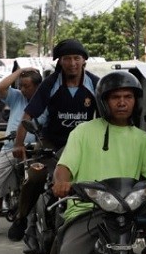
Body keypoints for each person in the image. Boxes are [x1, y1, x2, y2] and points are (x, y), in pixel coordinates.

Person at [44, 70, 146, 254]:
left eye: (127, 97)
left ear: (135, 101)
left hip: (128, 217)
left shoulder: (143, 140)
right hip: (86, 213)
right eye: (115, 97)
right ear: (103, 101)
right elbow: (63, 169)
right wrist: (61, 182)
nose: (122, 103)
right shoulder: (83, 132)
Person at [8, 39, 100, 242]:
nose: (73, 63)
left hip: (84, 147)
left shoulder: (95, 83)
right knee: (35, 177)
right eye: (67, 59)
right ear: (60, 62)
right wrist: (18, 143)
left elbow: (107, 118)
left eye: (77, 58)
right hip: (51, 145)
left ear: (84, 60)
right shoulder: (51, 84)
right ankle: (21, 217)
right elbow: (28, 115)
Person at [0, 68, 42, 238]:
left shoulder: (46, 101)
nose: (22, 89)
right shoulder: (17, 98)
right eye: (20, 86)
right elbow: (1, 87)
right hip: (10, 149)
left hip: (36, 151)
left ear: (37, 86)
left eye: (26, 86)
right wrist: (20, 71)